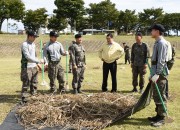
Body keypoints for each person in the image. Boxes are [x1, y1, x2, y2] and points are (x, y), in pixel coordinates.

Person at [148, 24, 169, 127]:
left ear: (157, 31)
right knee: (156, 95)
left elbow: (161, 61)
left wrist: (157, 74)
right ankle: (158, 115)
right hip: (155, 72)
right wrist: (151, 74)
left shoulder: (162, 43)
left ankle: (162, 118)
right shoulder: (157, 42)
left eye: (152, 30)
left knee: (161, 95)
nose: (151, 32)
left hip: (160, 74)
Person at [20, 30, 43, 103]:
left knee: (34, 82)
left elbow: (34, 55)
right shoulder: (24, 44)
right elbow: (27, 56)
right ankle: (24, 98)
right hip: (27, 67)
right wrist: (38, 61)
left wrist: (37, 64)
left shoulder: (33, 44)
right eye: (34, 37)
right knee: (26, 83)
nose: (35, 38)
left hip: (34, 66)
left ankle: (34, 96)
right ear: (29, 36)